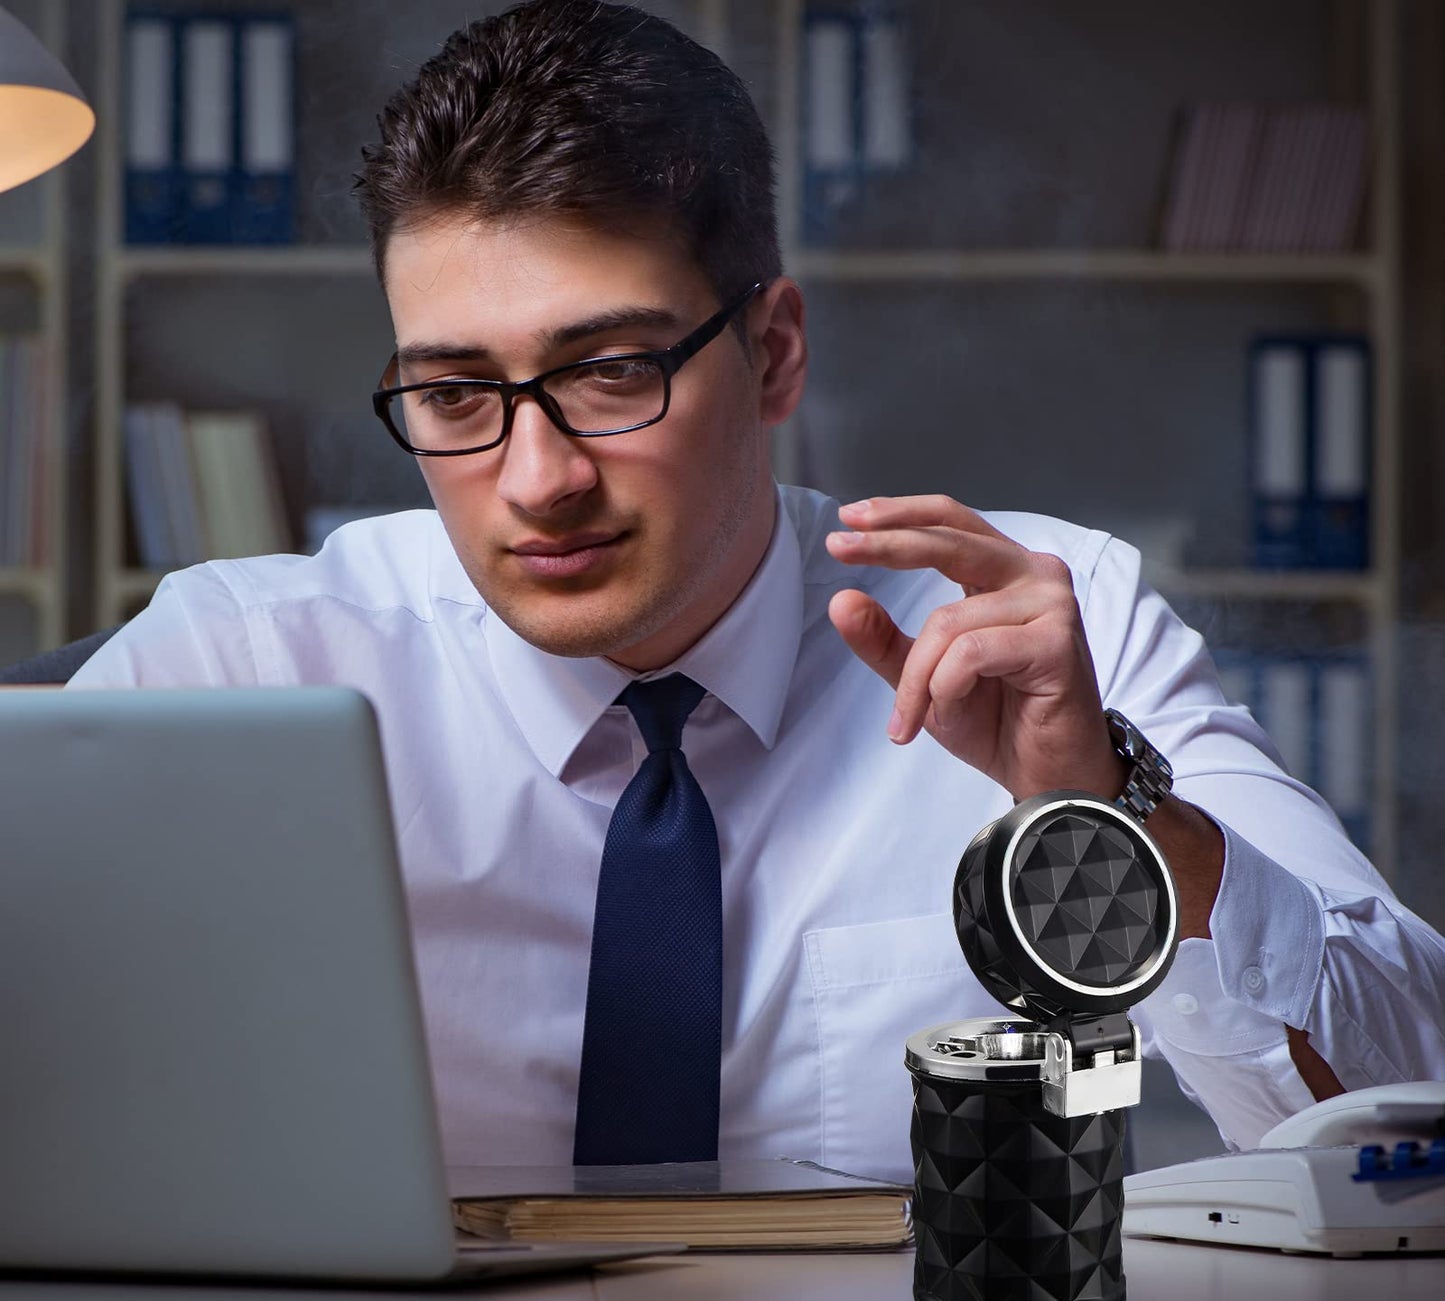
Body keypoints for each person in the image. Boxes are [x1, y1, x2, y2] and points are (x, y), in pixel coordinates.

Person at [71, 0, 1444, 1178]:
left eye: (611, 371)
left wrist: (1111, 806)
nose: (535, 477)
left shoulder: (1042, 622)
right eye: (454, 391)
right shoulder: (240, 662)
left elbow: (1406, 1122)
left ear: (774, 354)